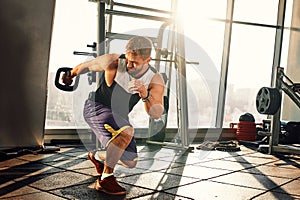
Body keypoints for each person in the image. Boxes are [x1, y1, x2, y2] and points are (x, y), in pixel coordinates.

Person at [63, 36, 165, 195]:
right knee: (126, 131)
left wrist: (145, 94)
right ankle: (105, 178)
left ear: (148, 60)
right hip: (95, 107)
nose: (130, 65)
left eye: (135, 63)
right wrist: (70, 74)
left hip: (119, 117)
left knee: (130, 161)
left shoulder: (154, 79)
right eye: (129, 60)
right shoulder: (114, 61)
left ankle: (96, 156)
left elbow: (156, 113)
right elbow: (87, 66)